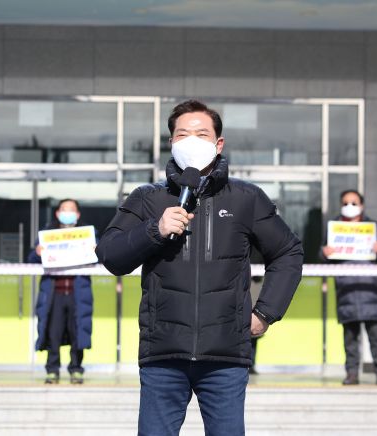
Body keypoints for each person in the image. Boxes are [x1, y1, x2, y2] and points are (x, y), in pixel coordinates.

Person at [95, 99, 303, 435]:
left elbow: (289, 252)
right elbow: (110, 256)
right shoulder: (147, 198)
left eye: (201, 134)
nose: (191, 141)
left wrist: (265, 313)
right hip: (162, 353)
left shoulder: (246, 199)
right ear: (171, 142)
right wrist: (154, 230)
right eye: (182, 135)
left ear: (218, 144)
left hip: (226, 356)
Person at [321, 190, 377, 386]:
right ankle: (352, 373)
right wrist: (324, 252)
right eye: (346, 203)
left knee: (376, 336)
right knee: (350, 337)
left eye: (354, 203)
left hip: (371, 289)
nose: (350, 206)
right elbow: (322, 256)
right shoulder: (334, 229)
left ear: (362, 205)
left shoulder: (375, 227)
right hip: (347, 289)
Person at [28, 199, 93, 384]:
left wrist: (95, 251)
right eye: (64, 209)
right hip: (53, 293)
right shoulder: (48, 234)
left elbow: (101, 257)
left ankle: (76, 369)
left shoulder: (87, 235)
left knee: (77, 331)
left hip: (78, 293)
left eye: (71, 210)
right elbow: (31, 259)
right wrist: (37, 253)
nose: (67, 213)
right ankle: (52, 370)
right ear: (57, 213)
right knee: (52, 332)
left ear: (78, 214)